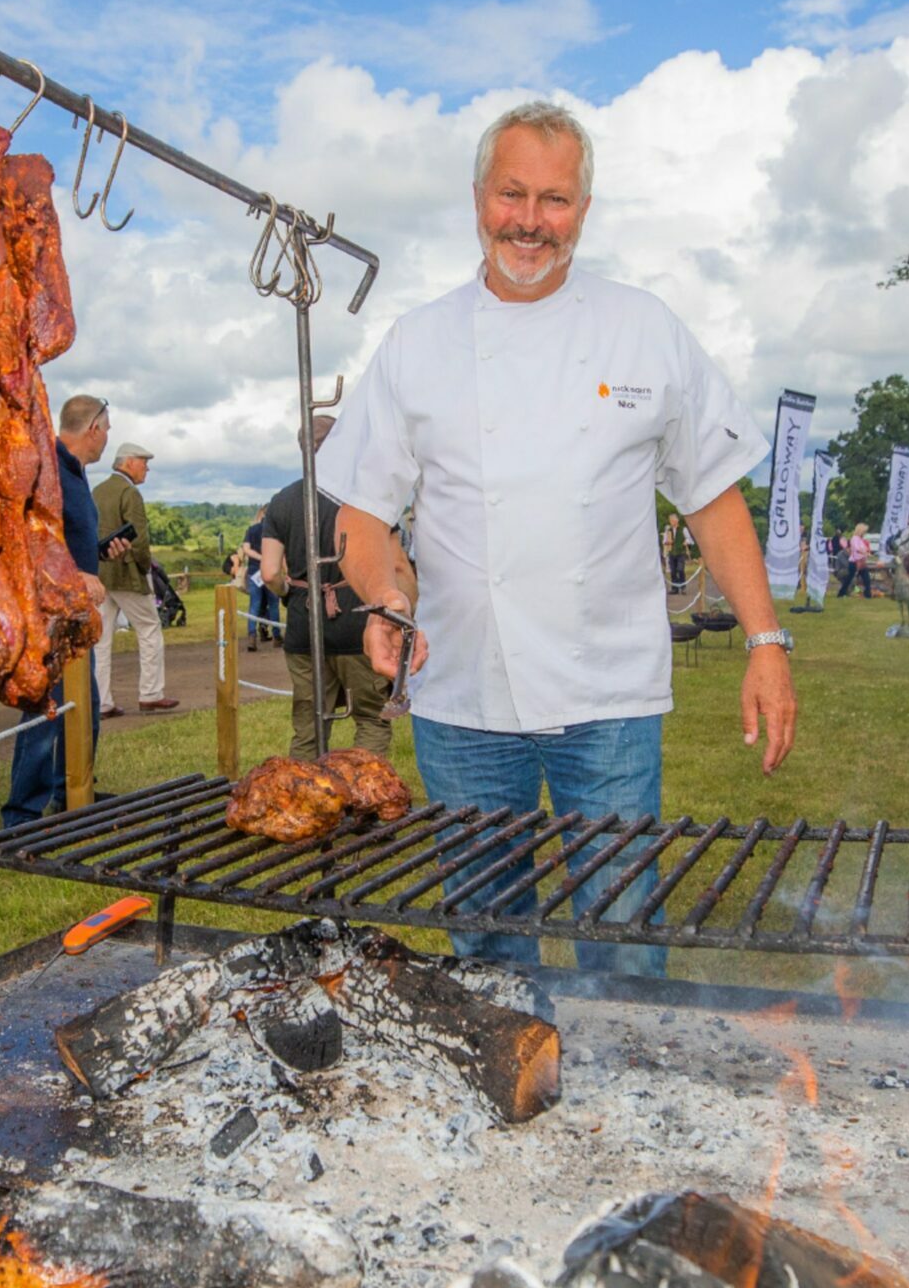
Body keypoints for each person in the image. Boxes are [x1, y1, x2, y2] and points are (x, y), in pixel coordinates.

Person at [321, 100, 797, 979]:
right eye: (512, 194)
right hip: (462, 695)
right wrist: (387, 598)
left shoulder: (643, 327)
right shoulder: (417, 343)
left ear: (584, 208)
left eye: (555, 200)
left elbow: (712, 498)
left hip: (608, 693)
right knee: (489, 950)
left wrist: (765, 641)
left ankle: (626, 1099)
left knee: (621, 942)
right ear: (477, 199)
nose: (530, 221)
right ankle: (514, 1091)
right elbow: (361, 517)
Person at [1, 395, 124, 828]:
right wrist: (74, 576)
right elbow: (29, 540)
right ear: (92, 429)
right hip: (49, 612)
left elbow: (65, 537)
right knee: (46, 707)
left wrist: (102, 549)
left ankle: (72, 790)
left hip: (75, 615)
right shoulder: (46, 469)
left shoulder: (75, 474)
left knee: (84, 705)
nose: (108, 438)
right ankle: (21, 812)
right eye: (106, 430)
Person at [259, 415, 394, 761]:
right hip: (357, 623)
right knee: (371, 719)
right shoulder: (363, 497)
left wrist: (291, 594)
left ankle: (305, 799)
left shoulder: (282, 500)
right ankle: (365, 794)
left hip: (304, 625)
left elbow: (271, 572)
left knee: (309, 729)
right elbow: (392, 562)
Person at [93, 442, 176, 715]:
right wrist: (144, 569)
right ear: (128, 463)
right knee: (150, 629)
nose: (147, 468)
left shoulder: (98, 491)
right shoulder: (130, 493)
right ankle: (151, 693)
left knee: (101, 641)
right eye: (143, 462)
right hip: (126, 574)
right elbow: (139, 540)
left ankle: (102, 701)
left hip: (100, 574)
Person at [239, 508, 280, 650]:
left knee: (254, 605)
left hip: (254, 571)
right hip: (272, 570)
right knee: (273, 604)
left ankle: (252, 637)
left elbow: (246, 549)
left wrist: (259, 558)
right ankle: (277, 636)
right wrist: (267, 558)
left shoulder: (252, 529)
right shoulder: (276, 530)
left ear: (262, 515)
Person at [841, 523, 875, 598]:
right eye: (864, 531)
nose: (865, 533)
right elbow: (857, 549)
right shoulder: (854, 538)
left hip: (861, 561)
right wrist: (865, 553)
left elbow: (864, 549)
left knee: (866, 579)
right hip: (855, 562)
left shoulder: (860, 539)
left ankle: (868, 594)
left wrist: (866, 553)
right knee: (850, 578)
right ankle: (842, 592)